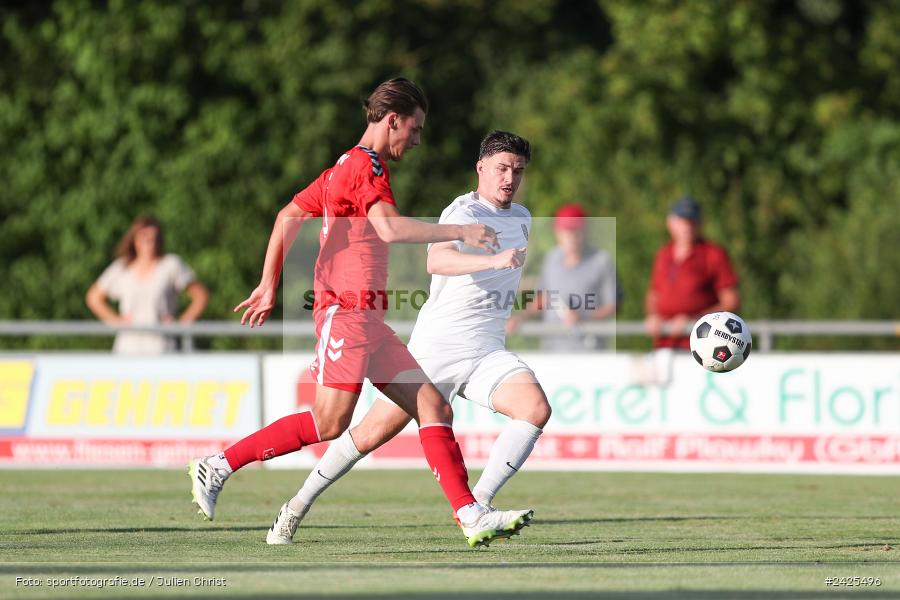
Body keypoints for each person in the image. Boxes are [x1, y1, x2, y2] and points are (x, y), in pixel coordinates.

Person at [187, 79, 532, 548]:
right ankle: (218, 465)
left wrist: (269, 282)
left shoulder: (342, 168)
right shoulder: (365, 165)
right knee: (329, 423)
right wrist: (460, 231)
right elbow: (388, 229)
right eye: (415, 128)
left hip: (369, 320)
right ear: (393, 120)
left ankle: (470, 515)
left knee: (433, 406)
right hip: (345, 313)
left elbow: (288, 216)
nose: (417, 139)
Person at [264, 130, 549, 546]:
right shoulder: (464, 210)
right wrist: (493, 260)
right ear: (481, 168)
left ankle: (478, 507)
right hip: (437, 349)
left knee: (535, 409)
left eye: (518, 171)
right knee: (367, 435)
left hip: (487, 350)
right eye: (502, 168)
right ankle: (294, 508)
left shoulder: (522, 216)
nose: (510, 178)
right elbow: (438, 260)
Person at [85, 215, 208, 353]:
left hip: (162, 347)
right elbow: (94, 297)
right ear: (135, 239)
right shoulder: (122, 267)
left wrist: (180, 324)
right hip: (128, 348)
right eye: (144, 236)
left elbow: (200, 296)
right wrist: (115, 321)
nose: (150, 241)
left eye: (154, 237)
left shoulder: (170, 265)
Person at [507, 203, 620, 350]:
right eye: (566, 230)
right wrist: (521, 318)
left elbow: (612, 305)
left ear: (585, 230)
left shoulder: (601, 261)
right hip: (552, 349)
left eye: (575, 230)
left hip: (589, 351)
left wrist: (583, 317)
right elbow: (544, 298)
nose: (571, 236)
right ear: (557, 232)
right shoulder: (551, 259)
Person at [644, 195, 740, 350]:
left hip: (703, 347)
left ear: (701, 223)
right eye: (682, 221)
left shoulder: (713, 254)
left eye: (692, 221)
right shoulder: (664, 254)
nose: (687, 227)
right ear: (670, 223)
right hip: (664, 345)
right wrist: (652, 316)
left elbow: (731, 302)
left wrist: (695, 320)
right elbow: (654, 294)